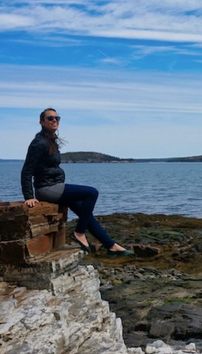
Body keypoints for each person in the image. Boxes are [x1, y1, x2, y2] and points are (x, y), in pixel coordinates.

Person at [21, 108, 134, 256]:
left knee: (85, 214)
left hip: (56, 187)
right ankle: (79, 233)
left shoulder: (50, 141)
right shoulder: (39, 143)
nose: (54, 120)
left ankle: (111, 245)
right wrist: (29, 196)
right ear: (41, 121)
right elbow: (27, 170)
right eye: (50, 118)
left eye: (57, 118)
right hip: (47, 189)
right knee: (91, 193)